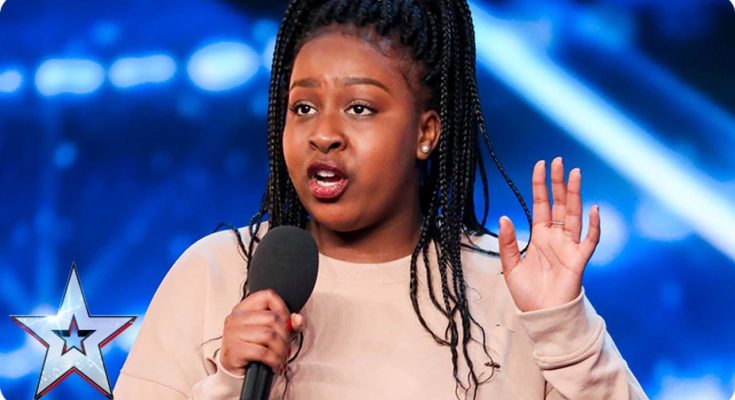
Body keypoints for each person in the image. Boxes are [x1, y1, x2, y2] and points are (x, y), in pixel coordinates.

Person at [114, 0, 647, 398]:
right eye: (303, 108)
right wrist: (231, 381)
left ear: (426, 132)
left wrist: (565, 329)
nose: (324, 134)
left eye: (360, 108)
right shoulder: (215, 273)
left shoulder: (513, 292)